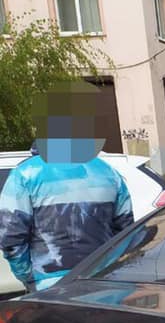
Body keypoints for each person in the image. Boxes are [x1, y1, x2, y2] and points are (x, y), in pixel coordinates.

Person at [0, 81, 133, 293]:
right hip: (104, 282)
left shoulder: (25, 175)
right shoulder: (109, 173)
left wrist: (30, 276)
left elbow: (11, 238)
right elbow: (127, 233)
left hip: (51, 287)